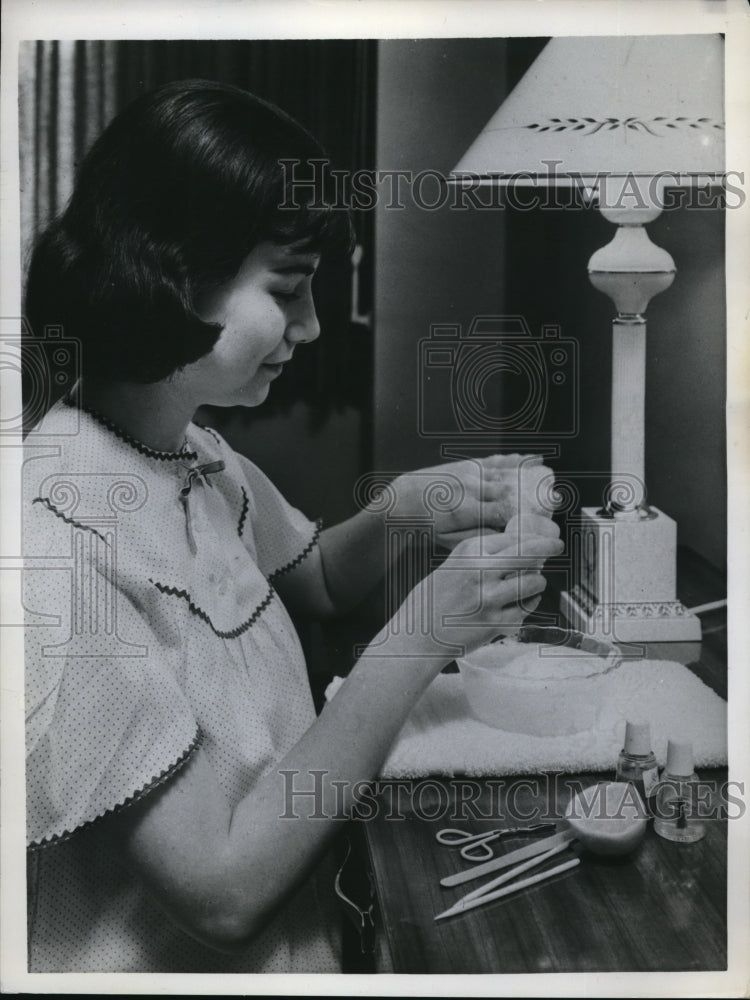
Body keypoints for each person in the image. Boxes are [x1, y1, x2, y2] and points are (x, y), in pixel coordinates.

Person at [22, 79, 562, 973]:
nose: (311, 328)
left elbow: (311, 577)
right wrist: (423, 635)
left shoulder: (187, 449)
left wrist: (409, 508)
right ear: (173, 272)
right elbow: (224, 894)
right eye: (290, 290)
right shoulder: (59, 550)